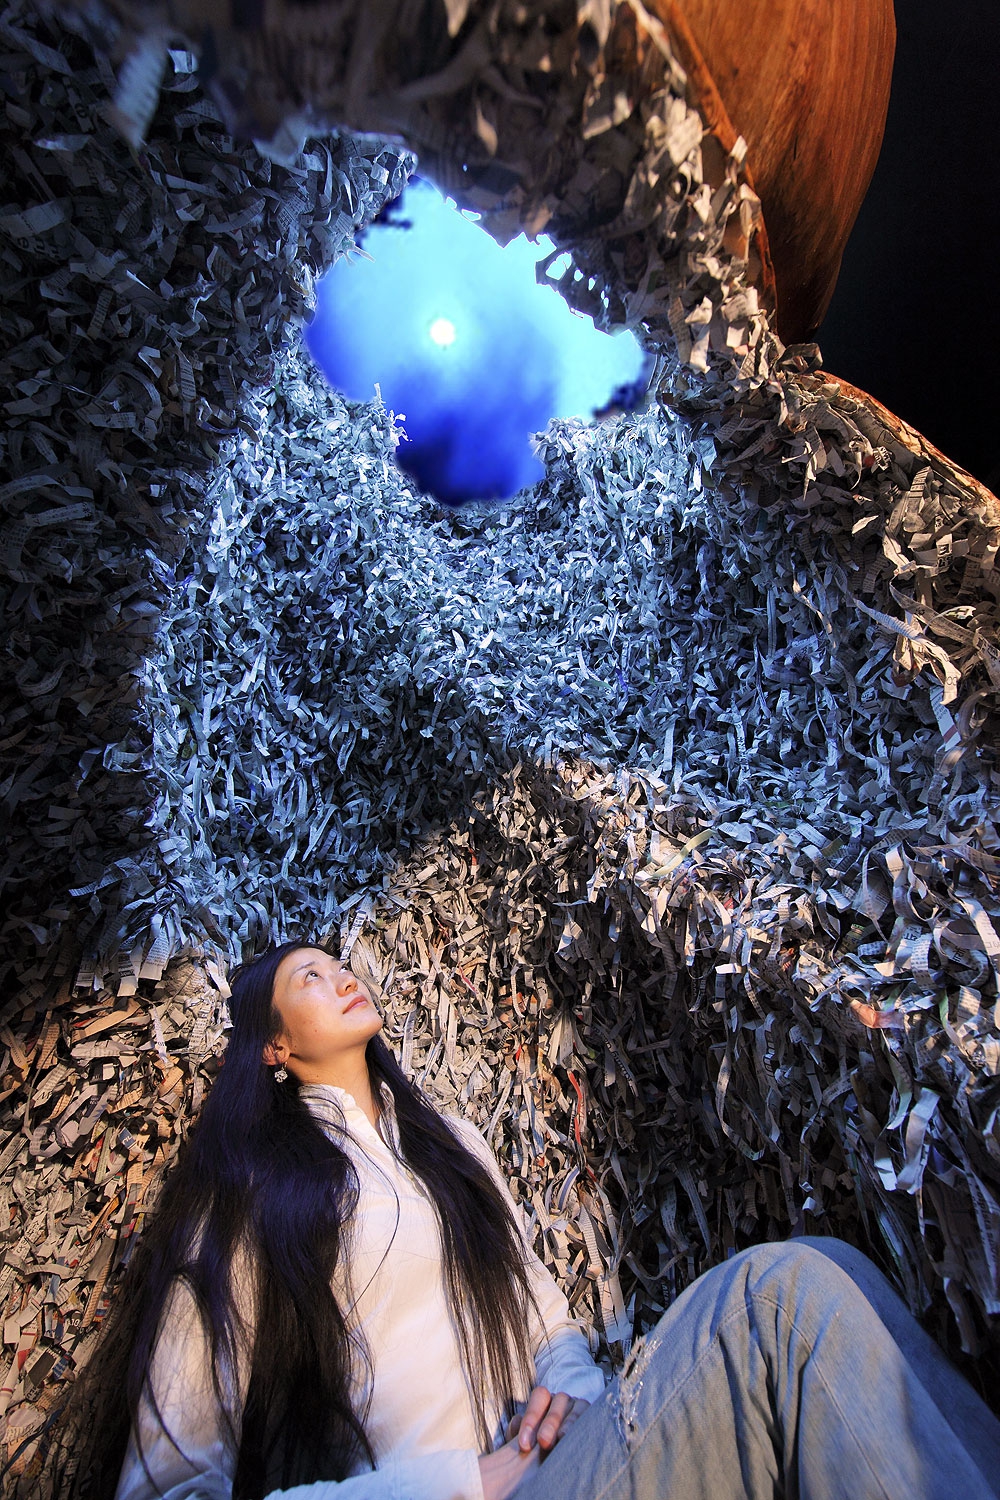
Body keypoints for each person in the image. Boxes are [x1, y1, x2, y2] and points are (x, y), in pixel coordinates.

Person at [44, 942, 1000, 1500]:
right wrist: (465, 1481)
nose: (340, 976)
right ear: (273, 1048)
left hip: (563, 1466)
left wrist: (574, 1396)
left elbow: (546, 1318)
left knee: (834, 1266)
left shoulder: (448, 1144)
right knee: (778, 1301)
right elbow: (167, 1487)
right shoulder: (247, 1196)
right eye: (308, 977)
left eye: (339, 963)